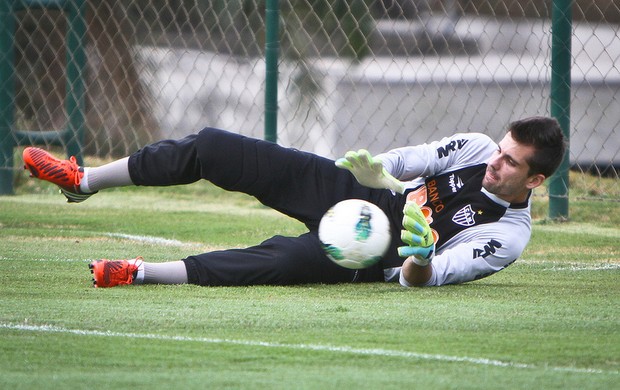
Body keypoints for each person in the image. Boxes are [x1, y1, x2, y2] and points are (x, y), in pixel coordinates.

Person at [22, 116, 566, 288]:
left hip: (375, 254)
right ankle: (84, 179)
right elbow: (409, 161)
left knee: (280, 260)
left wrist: (419, 255)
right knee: (215, 147)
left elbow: (422, 280)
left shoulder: (508, 236)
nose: (495, 161)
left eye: (511, 162)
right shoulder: (475, 148)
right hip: (359, 194)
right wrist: (378, 170)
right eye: (500, 150)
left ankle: (139, 273)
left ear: (534, 181)